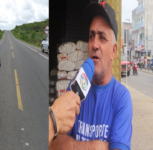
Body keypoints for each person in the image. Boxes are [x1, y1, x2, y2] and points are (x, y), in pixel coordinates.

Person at [50, 1, 133, 150]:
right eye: (91, 36)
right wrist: (97, 146)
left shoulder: (122, 98)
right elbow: (54, 144)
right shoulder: (76, 87)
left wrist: (72, 145)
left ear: (114, 51)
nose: (94, 44)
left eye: (102, 37)